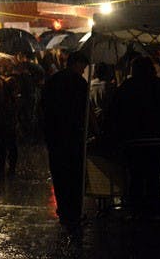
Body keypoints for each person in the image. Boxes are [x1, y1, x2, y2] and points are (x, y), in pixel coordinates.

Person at [106, 56, 160, 218]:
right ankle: (154, 210)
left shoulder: (126, 87)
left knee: (136, 176)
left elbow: (114, 114)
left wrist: (116, 136)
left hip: (133, 140)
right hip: (158, 140)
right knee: (153, 176)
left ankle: (137, 211)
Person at [42, 51, 90, 230]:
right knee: (75, 175)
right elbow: (86, 110)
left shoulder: (52, 81)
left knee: (60, 174)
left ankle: (64, 210)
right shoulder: (79, 82)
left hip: (55, 136)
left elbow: (44, 107)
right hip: (73, 135)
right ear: (76, 63)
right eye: (83, 67)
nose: (83, 70)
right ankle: (74, 212)